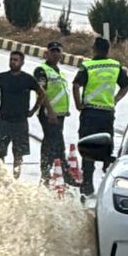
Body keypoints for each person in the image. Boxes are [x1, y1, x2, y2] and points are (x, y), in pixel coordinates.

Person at [72, 37, 128, 196]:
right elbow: (126, 85)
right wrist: (115, 100)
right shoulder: (115, 66)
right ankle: (108, 186)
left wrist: (78, 105)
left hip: (90, 113)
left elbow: (76, 85)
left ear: (95, 49)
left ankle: (87, 186)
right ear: (108, 50)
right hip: (107, 113)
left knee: (88, 148)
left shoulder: (87, 66)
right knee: (107, 150)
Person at [0, 49, 43, 179]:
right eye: (11, 59)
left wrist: (34, 110)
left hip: (20, 121)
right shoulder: (2, 77)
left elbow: (41, 93)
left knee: (18, 154)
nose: (13, 62)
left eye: (16, 60)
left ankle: (16, 177)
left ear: (22, 62)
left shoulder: (28, 79)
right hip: (4, 120)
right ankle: (1, 177)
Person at [35, 41, 72, 186]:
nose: (56, 53)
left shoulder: (59, 71)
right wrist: (50, 111)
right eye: (53, 51)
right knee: (55, 142)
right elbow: (41, 91)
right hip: (48, 113)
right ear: (47, 53)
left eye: (58, 51)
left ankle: (53, 171)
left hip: (60, 114)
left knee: (52, 142)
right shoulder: (42, 70)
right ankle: (52, 171)